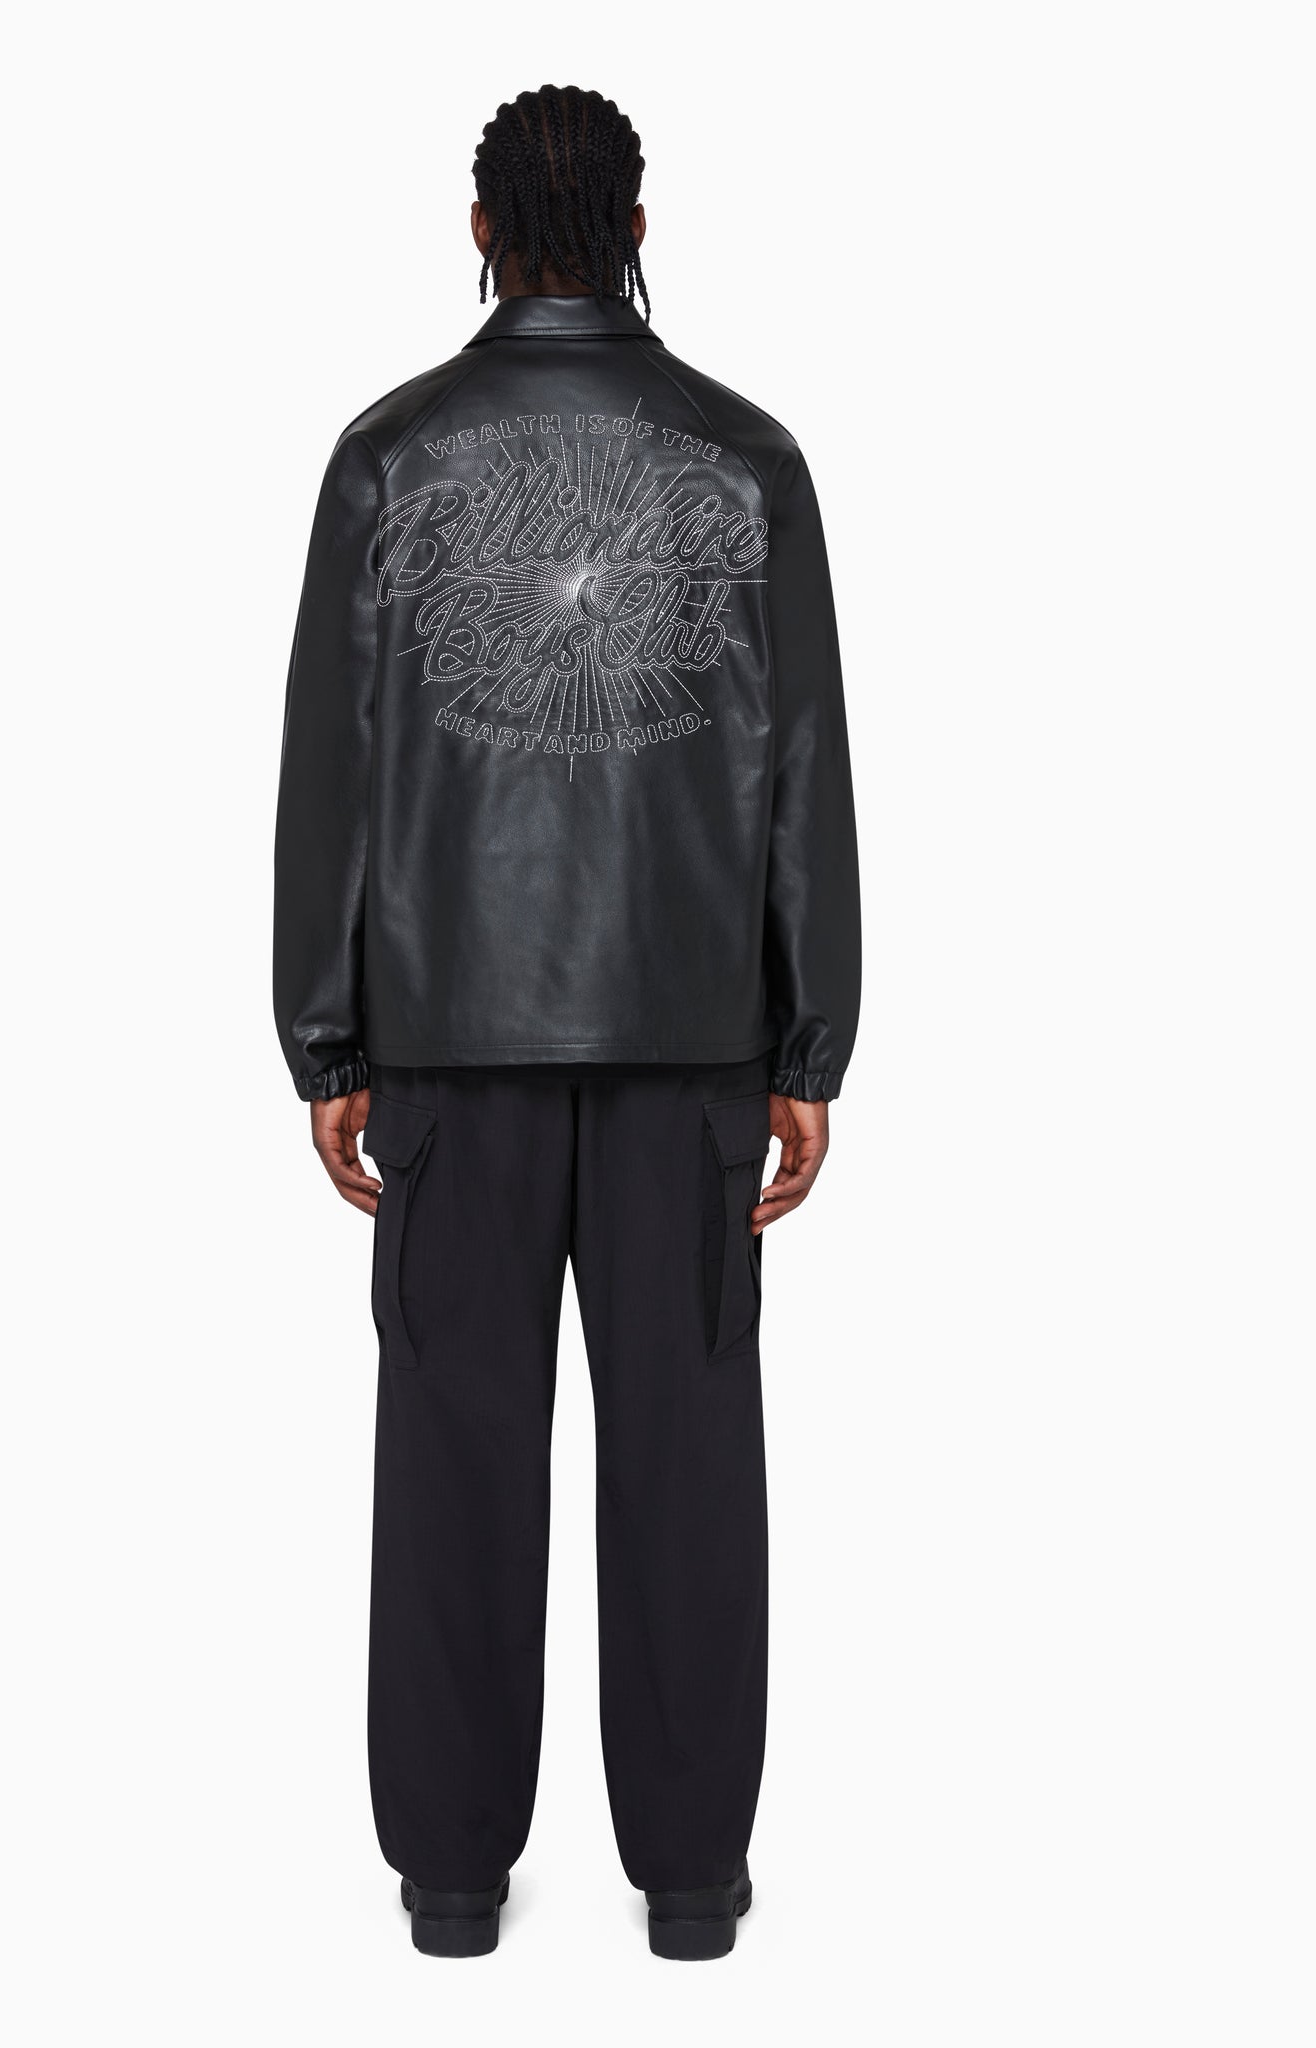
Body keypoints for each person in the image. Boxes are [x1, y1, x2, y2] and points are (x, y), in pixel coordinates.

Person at [273, 83, 860, 1961]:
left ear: (481, 232)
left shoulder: (389, 456)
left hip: (452, 1041)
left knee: (453, 1458)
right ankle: (691, 1887)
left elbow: (333, 772)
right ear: (634, 228)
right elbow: (805, 770)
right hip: (692, 1042)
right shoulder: (748, 460)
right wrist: (809, 1044)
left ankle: (452, 1885)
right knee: (691, 1462)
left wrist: (327, 1040)